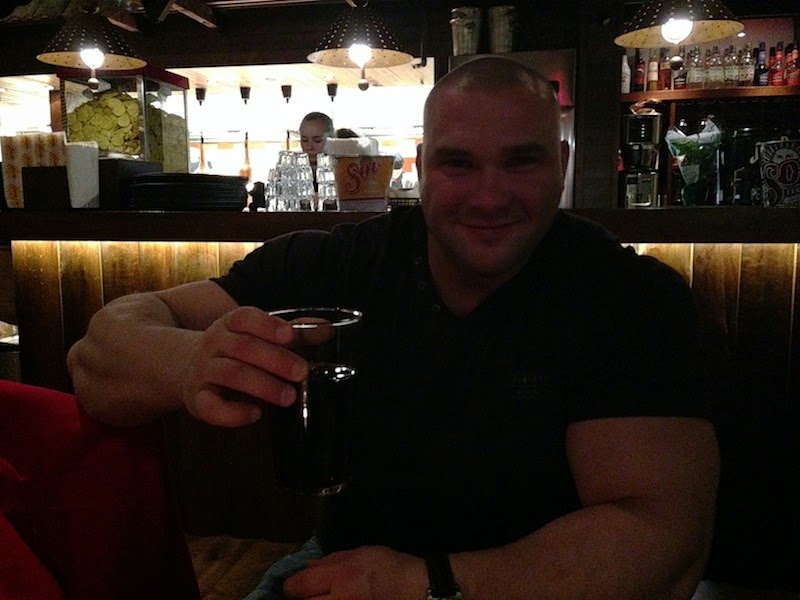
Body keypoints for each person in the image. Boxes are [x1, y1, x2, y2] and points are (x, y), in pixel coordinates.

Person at [67, 57, 719, 600]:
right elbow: (98, 358)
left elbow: (661, 542)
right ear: (423, 165)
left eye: (521, 162)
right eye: (459, 163)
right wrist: (190, 362)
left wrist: (428, 583)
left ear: (563, 163)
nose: (489, 196)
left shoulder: (630, 297)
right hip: (345, 566)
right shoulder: (340, 263)